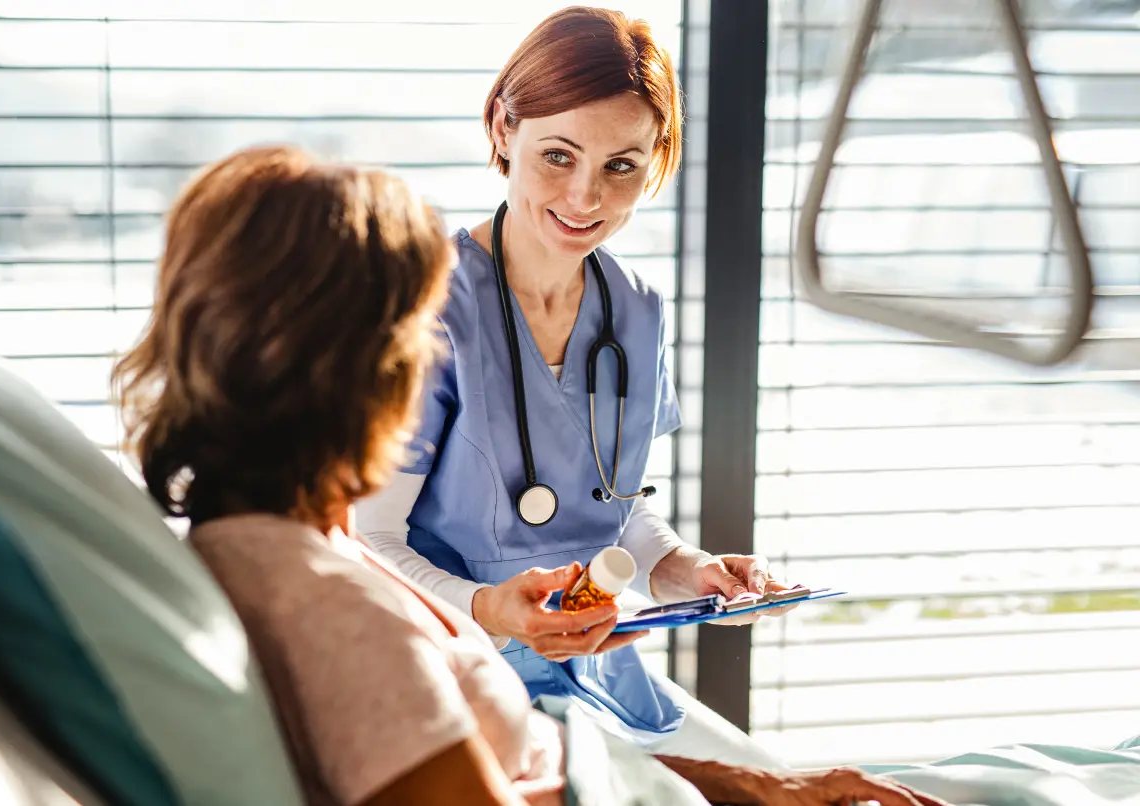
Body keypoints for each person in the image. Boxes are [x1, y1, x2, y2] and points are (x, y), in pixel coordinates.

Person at [112, 144, 947, 806]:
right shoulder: (338, 622)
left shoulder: (279, 548)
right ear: (363, 371)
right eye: (420, 336)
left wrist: (751, 787)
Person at [357, 5, 792, 756]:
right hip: (457, 674)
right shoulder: (427, 305)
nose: (586, 198)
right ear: (503, 128)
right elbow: (370, 542)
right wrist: (492, 608)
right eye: (559, 155)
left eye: (621, 165)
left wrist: (689, 571)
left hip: (598, 666)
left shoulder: (637, 313)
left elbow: (610, 513)